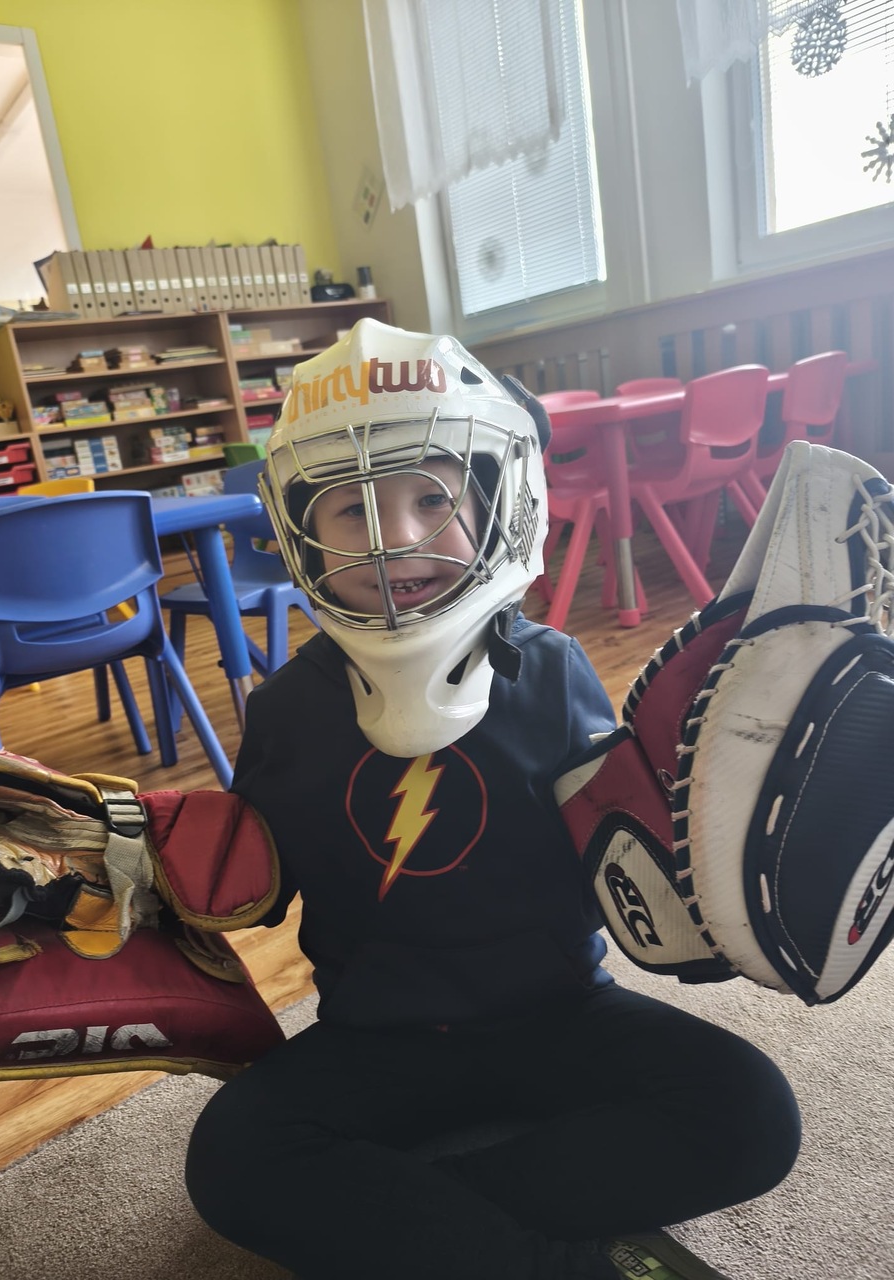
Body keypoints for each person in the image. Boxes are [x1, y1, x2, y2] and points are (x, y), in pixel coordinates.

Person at [183, 319, 801, 1280]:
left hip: (560, 1017)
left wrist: (715, 857)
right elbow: (254, 889)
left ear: (495, 501)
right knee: (229, 1161)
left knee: (752, 1113)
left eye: (431, 498)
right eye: (349, 508)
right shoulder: (285, 710)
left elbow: (621, 856)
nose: (394, 538)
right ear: (302, 533)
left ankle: (426, 1225)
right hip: (376, 1040)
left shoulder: (551, 671)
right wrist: (145, 865)